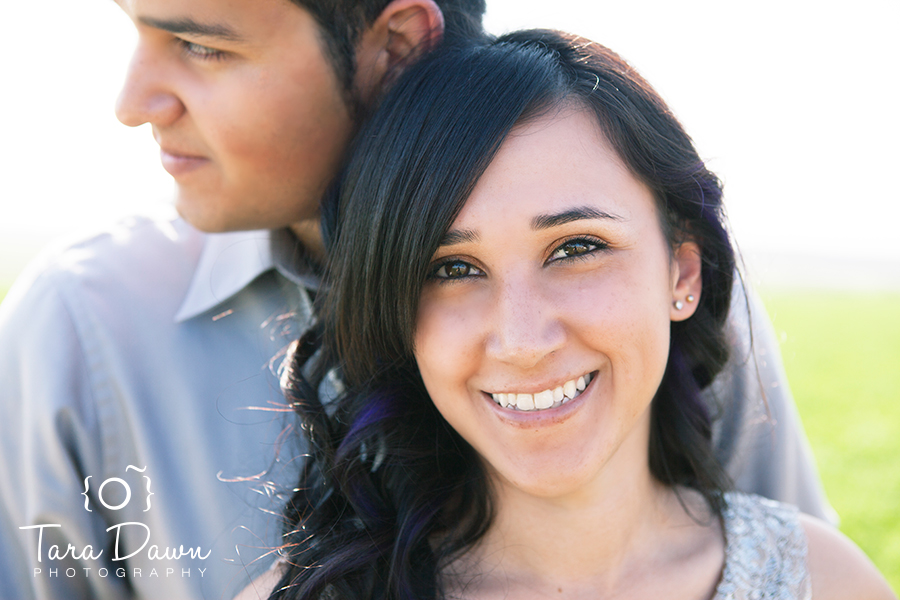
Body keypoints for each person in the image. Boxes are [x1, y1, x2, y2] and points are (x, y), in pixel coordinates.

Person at [0, 1, 829, 599]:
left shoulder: (647, 294)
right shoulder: (81, 326)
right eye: (449, 270)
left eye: (201, 45)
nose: (132, 100)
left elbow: (769, 559)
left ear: (394, 43)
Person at [243, 31, 895, 600]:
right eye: (452, 268)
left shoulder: (823, 584)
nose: (523, 341)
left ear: (682, 274)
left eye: (577, 248)